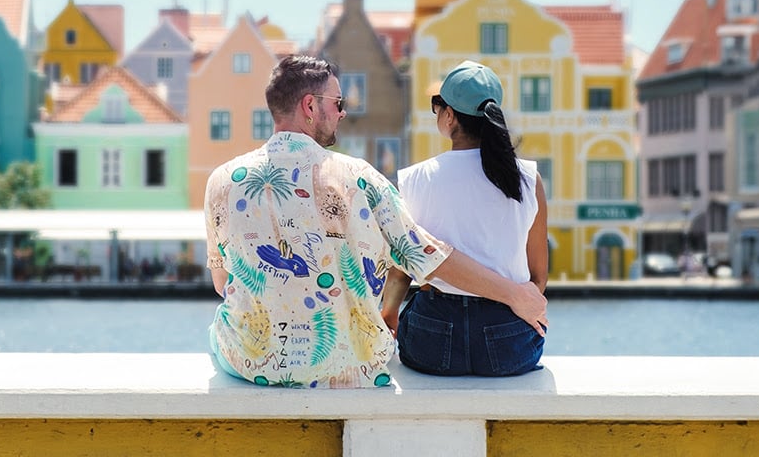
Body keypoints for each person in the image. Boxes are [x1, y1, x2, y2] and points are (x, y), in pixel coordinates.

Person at [204, 55, 547, 389]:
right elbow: (428, 256)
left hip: (248, 363)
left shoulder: (220, 180)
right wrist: (515, 295)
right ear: (309, 107)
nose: (344, 112)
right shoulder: (361, 178)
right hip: (344, 365)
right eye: (338, 103)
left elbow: (222, 283)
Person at [381, 60, 549, 377]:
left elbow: (401, 270)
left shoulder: (413, 179)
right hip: (508, 341)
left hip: (432, 337)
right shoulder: (529, 178)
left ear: (449, 116)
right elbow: (538, 277)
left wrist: (389, 316)